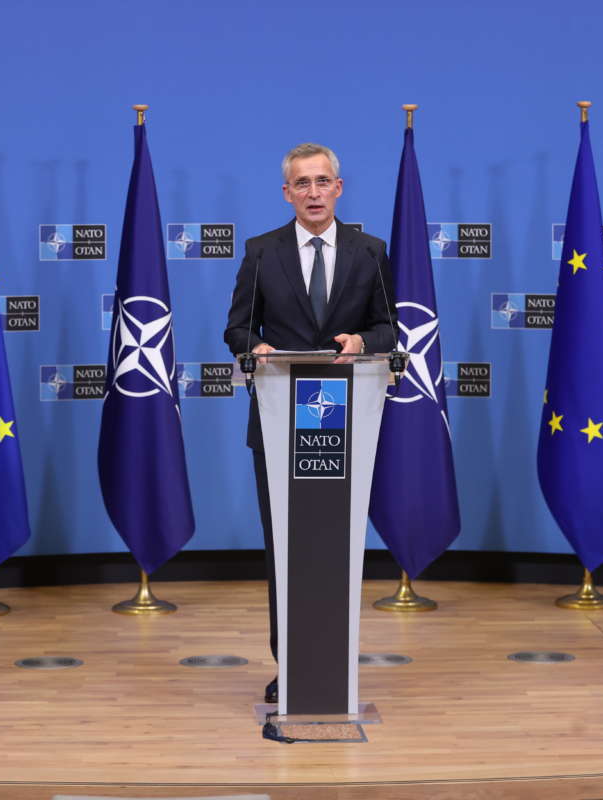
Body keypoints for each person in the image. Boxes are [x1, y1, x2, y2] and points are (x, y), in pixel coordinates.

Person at [223, 142, 396, 703]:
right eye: (303, 183)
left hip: (346, 419)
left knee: (334, 544)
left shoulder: (370, 252)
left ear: (339, 189)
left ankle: (334, 662)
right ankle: (290, 665)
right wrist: (261, 346)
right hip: (278, 420)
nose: (314, 192)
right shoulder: (260, 252)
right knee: (286, 548)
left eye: (323, 182)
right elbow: (237, 331)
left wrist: (363, 341)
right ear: (287, 193)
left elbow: (390, 330)